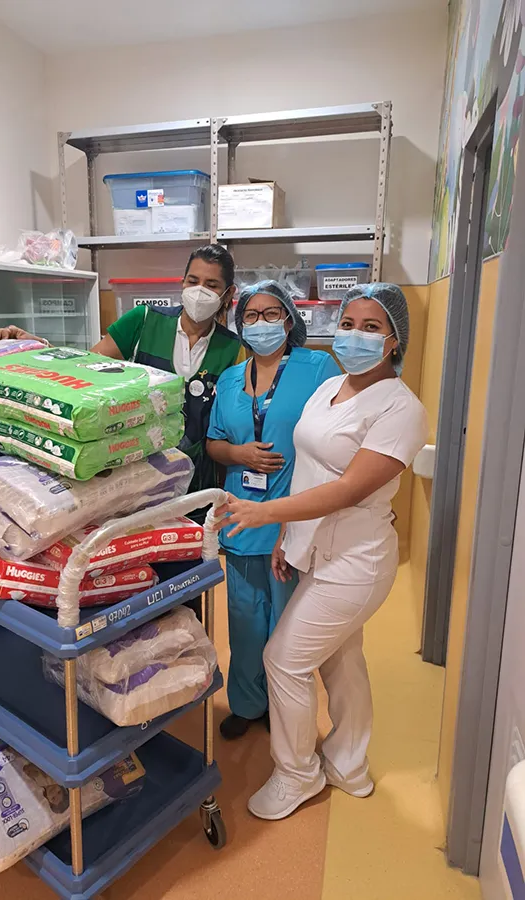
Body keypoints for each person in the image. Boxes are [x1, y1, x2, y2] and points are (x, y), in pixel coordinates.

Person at [217, 283, 428, 820]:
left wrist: (268, 514)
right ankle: (349, 765)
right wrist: (288, 534)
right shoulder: (331, 387)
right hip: (315, 548)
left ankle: (297, 774)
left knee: (283, 660)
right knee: (341, 659)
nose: (356, 336)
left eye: (372, 327)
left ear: (395, 341)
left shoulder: (400, 408)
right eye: (349, 324)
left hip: (356, 560)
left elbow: (349, 489)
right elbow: (307, 467)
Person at [0, 244, 243, 499]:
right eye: (193, 281)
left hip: (197, 476)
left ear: (228, 293)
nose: (199, 291)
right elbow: (84, 367)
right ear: (182, 283)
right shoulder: (145, 320)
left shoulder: (232, 348)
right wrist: (35, 345)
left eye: (211, 285)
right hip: (139, 467)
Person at [206, 281, 340, 741]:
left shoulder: (317, 368)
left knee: (288, 627)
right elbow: (214, 442)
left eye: (271, 313)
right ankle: (248, 704)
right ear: (239, 323)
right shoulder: (229, 379)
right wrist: (239, 454)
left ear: (288, 319)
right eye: (251, 315)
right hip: (241, 519)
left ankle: (285, 713)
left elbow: (334, 439)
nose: (261, 323)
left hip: (294, 520)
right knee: (244, 621)